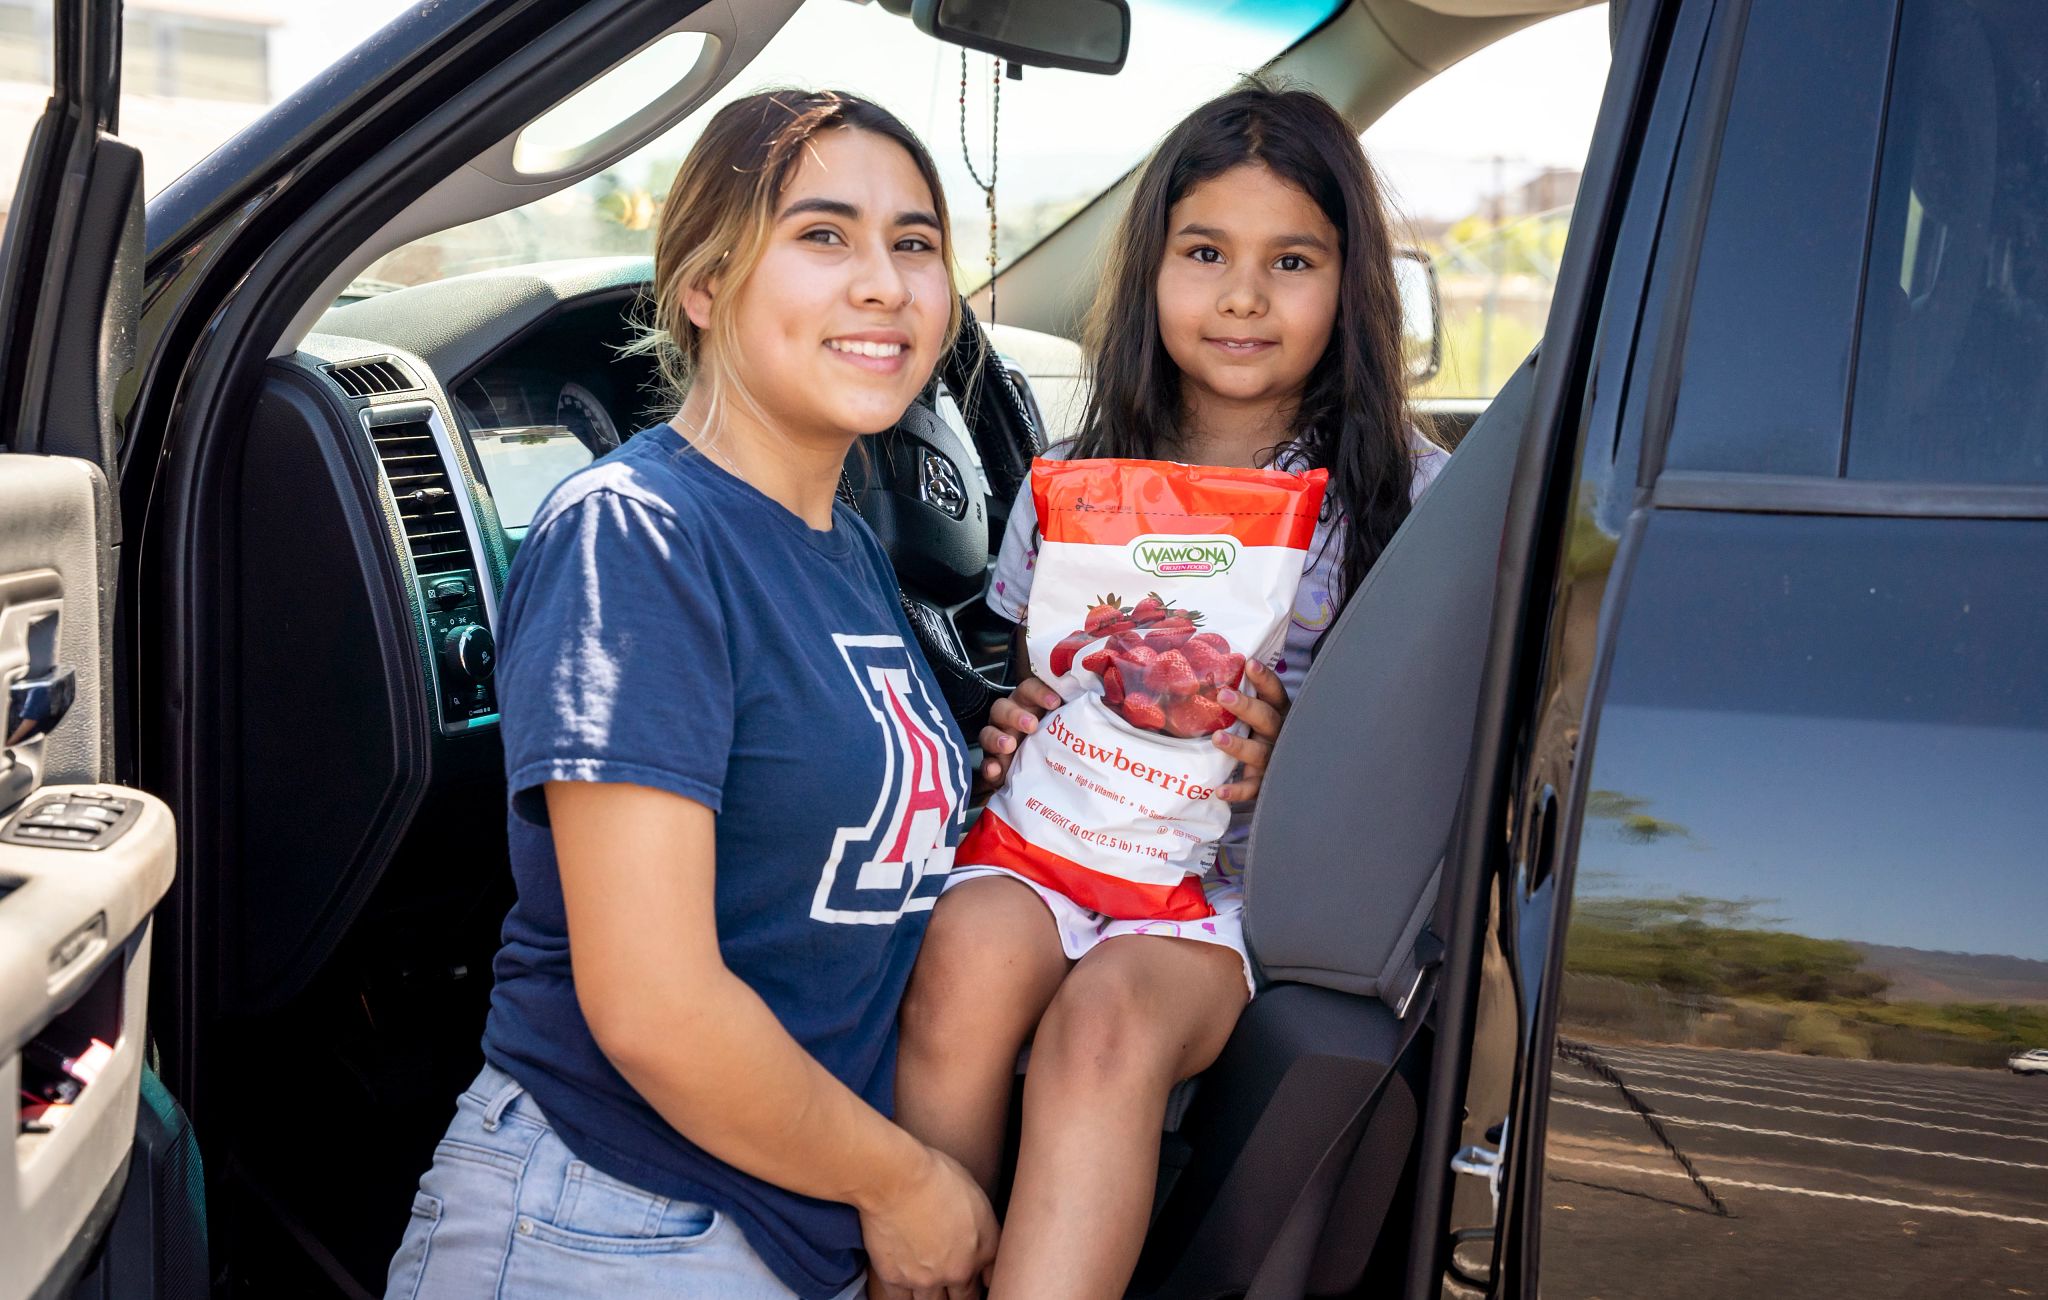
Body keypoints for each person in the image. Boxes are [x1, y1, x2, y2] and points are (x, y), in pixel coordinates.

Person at [384, 89, 998, 1300]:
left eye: (912, 242)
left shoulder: (843, 547)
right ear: (704, 288)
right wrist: (907, 1184)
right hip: (606, 1222)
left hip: (785, 1218)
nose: (883, 282)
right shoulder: (640, 538)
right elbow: (656, 1005)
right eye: (822, 234)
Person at [889, 81, 1448, 1299]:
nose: (1241, 295)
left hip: (1219, 898)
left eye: (1288, 259)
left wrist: (1303, 749)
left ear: (1348, 285)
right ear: (1151, 269)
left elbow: (1433, 748)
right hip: (1046, 847)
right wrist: (1013, 718)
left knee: (1104, 1025)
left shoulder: (1403, 500)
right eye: (1204, 252)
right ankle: (922, 1264)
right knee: (960, 959)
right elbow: (1027, 674)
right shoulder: (1082, 480)